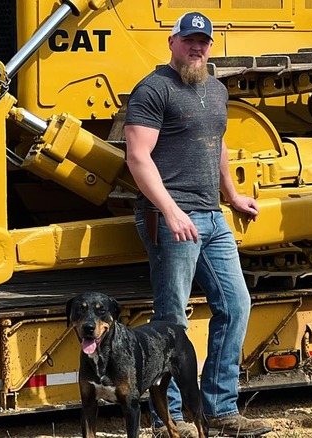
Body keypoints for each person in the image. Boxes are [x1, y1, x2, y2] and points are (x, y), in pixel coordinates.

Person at [124, 11, 273, 438]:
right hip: (170, 218)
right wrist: (171, 211)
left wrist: (232, 195)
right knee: (172, 320)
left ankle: (221, 410)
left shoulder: (215, 89)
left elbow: (218, 143)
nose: (197, 47)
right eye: (189, 40)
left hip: (212, 215)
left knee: (235, 305)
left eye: (204, 41)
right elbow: (137, 157)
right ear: (172, 41)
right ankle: (166, 417)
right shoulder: (153, 90)